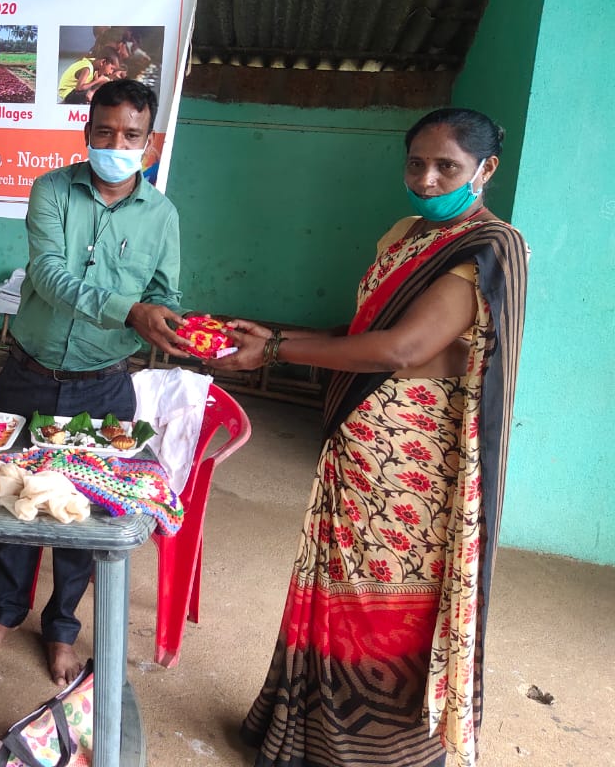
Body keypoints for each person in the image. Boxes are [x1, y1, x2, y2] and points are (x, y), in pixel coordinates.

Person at [220, 109, 528, 767]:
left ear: (486, 169)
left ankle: (377, 753)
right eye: (416, 163)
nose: (427, 178)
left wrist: (275, 350)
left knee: (382, 600)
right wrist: (278, 337)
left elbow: (403, 348)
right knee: (333, 585)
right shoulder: (404, 234)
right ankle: (306, 735)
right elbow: (364, 328)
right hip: (359, 443)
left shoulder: (489, 248)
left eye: (446, 166)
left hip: (414, 461)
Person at [0, 79, 190, 685]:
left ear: (149, 142)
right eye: (105, 132)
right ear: (87, 132)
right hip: (29, 375)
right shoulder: (52, 190)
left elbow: (165, 293)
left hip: (104, 386)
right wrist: (130, 311)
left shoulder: (161, 214)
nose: (117, 146)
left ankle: (61, 628)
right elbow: (49, 275)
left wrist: (173, 324)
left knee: (81, 515)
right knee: (14, 501)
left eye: (131, 136)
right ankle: (4, 612)